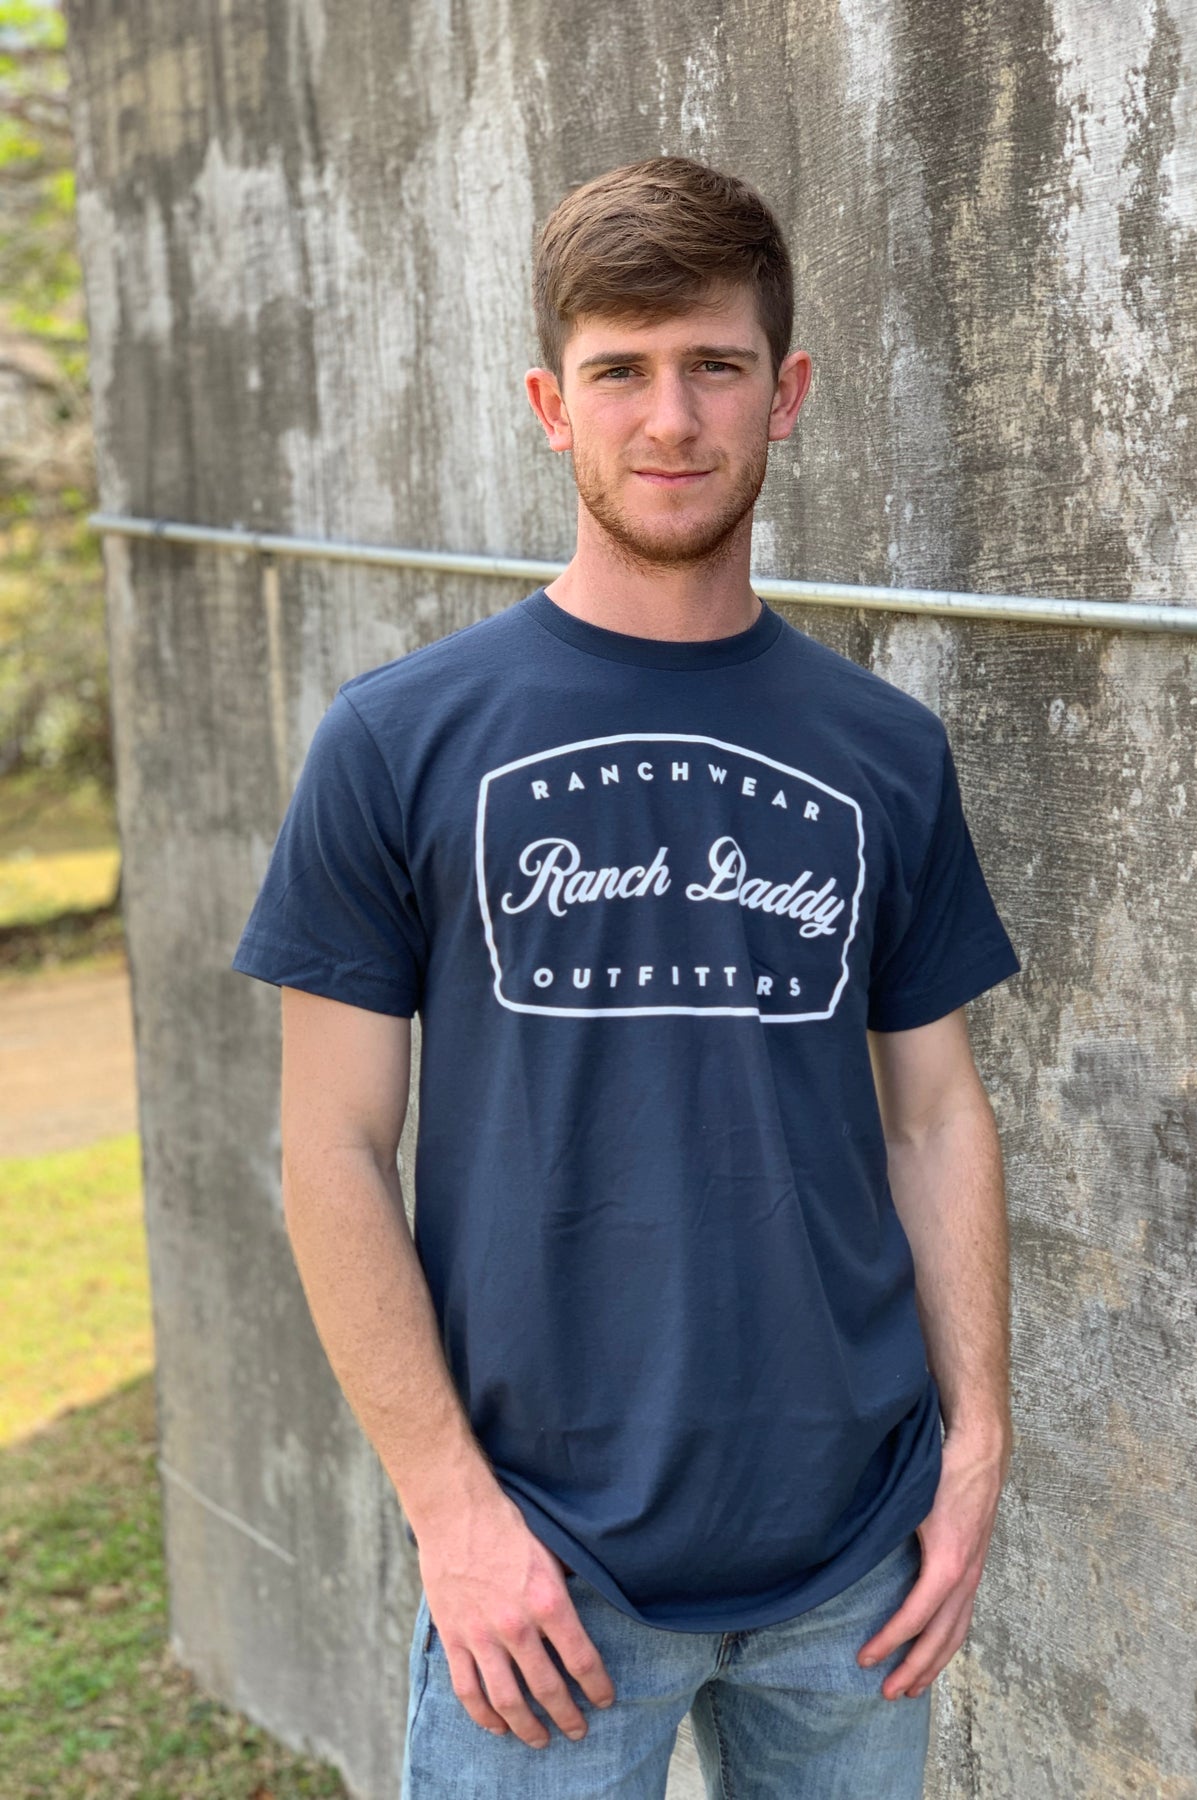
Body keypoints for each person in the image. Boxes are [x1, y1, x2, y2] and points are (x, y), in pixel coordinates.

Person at [231, 154, 1021, 1800]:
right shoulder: (399, 741)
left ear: (784, 393)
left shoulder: (882, 749)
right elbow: (330, 1147)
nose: (670, 418)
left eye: (714, 364)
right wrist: (451, 1512)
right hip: (543, 1572)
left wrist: (976, 1448)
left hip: (856, 1571)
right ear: (550, 404)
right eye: (619, 371)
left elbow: (935, 1115)